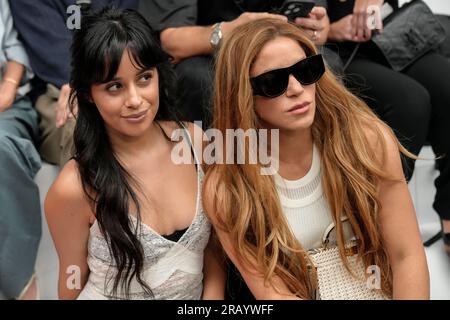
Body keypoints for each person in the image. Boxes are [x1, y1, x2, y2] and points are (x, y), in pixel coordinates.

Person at [203, 18, 429, 299]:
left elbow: (406, 256)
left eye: (306, 70)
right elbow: (275, 296)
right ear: (242, 95)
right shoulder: (226, 189)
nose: (297, 88)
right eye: (274, 82)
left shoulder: (367, 141)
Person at [44, 8, 224, 300]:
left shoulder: (193, 141)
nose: (135, 100)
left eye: (144, 78)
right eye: (114, 86)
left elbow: (215, 252)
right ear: (89, 93)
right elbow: (71, 284)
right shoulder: (74, 187)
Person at [326, 0, 450, 254]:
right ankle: (379, 218)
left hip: (392, 35)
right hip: (336, 50)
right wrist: (330, 29)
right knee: (410, 101)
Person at [138, 0, 341, 126]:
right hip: (209, 55)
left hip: (280, 46)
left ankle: (320, 156)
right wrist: (228, 32)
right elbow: (170, 42)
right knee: (198, 79)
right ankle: (227, 168)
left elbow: (315, 19)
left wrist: (316, 28)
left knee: (325, 62)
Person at [9, 0, 138, 166]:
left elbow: (130, 37)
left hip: (123, 80)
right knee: (85, 125)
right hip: (55, 91)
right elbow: (56, 56)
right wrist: (87, 88)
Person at [0, 0, 40, 300]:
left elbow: (15, 50)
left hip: (6, 105)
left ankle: (22, 289)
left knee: (2, 148)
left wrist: (8, 88)